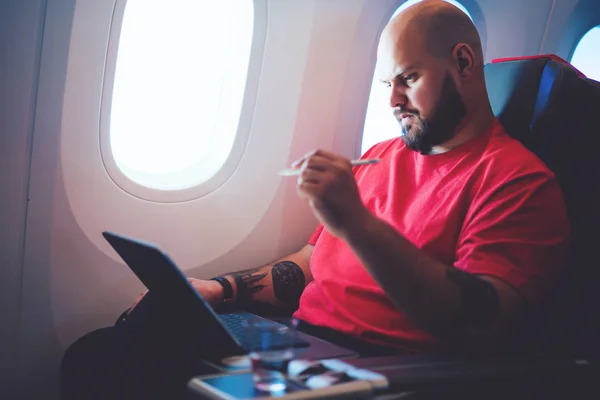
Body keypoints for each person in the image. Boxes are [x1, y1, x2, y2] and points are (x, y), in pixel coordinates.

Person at [60, 1, 570, 399]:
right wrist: (219, 290)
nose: (392, 100)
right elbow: (311, 266)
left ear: (462, 62)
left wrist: (357, 225)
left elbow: (485, 323)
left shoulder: (517, 182)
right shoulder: (381, 156)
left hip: (377, 372)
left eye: (408, 79)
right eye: (387, 84)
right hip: (299, 345)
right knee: (98, 353)